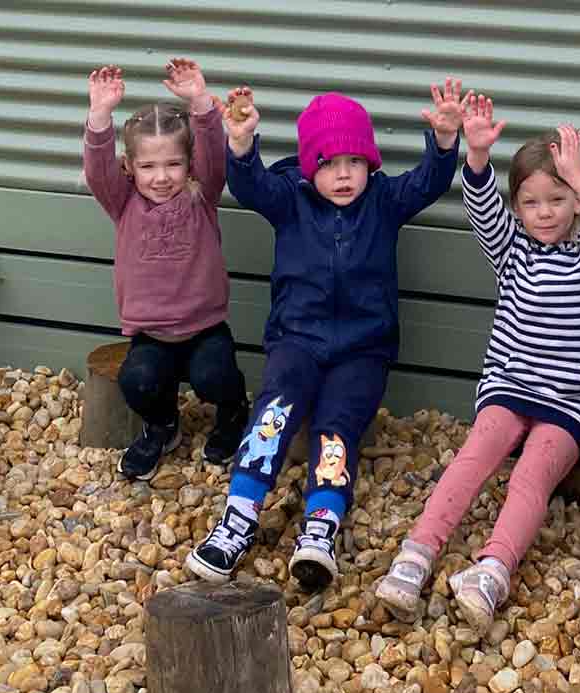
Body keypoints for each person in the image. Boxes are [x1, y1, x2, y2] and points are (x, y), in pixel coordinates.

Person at [377, 97, 580, 633]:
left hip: (572, 404)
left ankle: (494, 569)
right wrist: (477, 154)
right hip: (509, 387)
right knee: (473, 457)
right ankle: (415, 555)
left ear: (578, 202)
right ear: (518, 208)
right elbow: (482, 207)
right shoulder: (511, 253)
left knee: (529, 477)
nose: (544, 212)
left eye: (557, 198)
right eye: (530, 202)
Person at [186, 79, 465, 591]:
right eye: (329, 164)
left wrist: (445, 140)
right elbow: (248, 186)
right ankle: (239, 516)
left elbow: (427, 181)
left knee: (337, 428)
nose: (343, 175)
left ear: (370, 165)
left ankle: (321, 527)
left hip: (362, 350)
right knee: (274, 410)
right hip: (298, 339)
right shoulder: (290, 198)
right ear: (310, 166)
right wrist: (243, 144)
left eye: (354, 163)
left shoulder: (383, 200)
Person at [82, 59, 249, 482]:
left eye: (172, 165)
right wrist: (100, 115)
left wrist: (200, 102)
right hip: (151, 336)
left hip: (205, 329)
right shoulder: (123, 204)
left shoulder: (201, 195)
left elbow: (214, 157)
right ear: (130, 167)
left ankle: (232, 414)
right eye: (148, 167)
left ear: (189, 165)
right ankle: (162, 425)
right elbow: (97, 170)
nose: (160, 177)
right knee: (136, 381)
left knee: (216, 377)